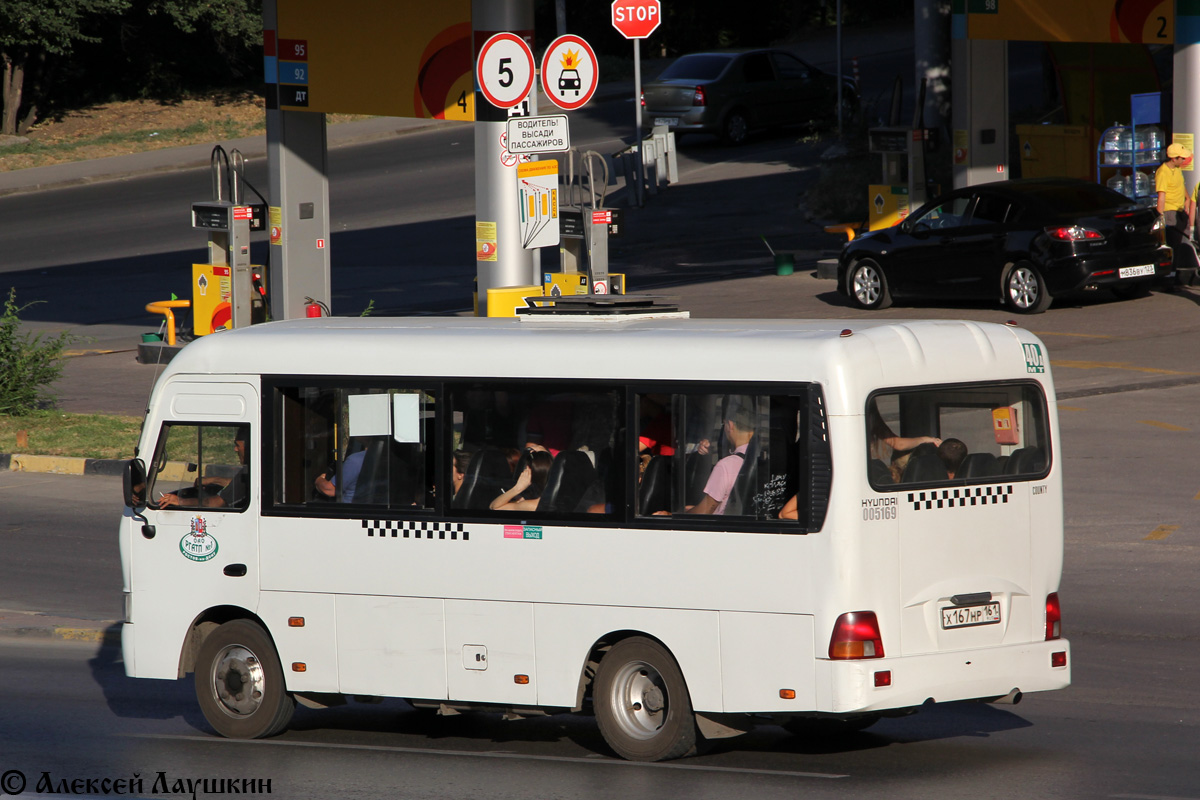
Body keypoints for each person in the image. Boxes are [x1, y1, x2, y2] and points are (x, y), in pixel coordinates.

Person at [678, 404, 755, 515]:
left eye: (723, 424)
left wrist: (677, 514)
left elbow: (705, 512)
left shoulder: (726, 466)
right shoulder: (761, 458)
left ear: (730, 425)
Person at [159, 428, 248, 509]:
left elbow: (214, 503)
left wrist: (180, 501)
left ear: (248, 447)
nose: (235, 449)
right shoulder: (251, 472)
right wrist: (213, 480)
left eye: (237, 445)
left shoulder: (250, 472)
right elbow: (237, 483)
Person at [1158, 143, 1196, 287]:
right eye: (1182, 158)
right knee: (1172, 246)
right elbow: (1161, 196)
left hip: (1179, 211)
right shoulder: (1163, 172)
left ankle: (1175, 276)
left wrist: (1187, 199)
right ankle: (1170, 279)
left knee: (1180, 245)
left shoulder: (1177, 170)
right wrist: (1160, 216)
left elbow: (1181, 186)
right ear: (1174, 158)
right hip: (1170, 212)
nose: (1183, 161)